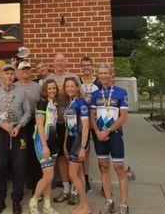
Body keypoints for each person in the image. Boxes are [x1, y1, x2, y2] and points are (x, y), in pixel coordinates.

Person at [0, 64, 31, 214]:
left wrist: (19, 125)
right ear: (1, 75)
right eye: (7, 73)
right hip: (2, 133)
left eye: (12, 73)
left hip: (18, 132)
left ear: (15, 76)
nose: (9, 76)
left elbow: (27, 112)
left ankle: (16, 199)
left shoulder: (21, 92)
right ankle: (0, 200)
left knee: (19, 167)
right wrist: (2, 124)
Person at [90, 63, 129, 214]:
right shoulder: (95, 94)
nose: (103, 75)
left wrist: (107, 131)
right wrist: (98, 132)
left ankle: (124, 205)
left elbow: (123, 117)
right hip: (100, 136)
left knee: (119, 169)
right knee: (104, 167)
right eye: (101, 73)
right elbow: (92, 116)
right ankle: (109, 201)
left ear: (110, 74)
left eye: (106, 73)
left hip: (115, 135)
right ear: (98, 75)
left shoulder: (121, 92)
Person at [49, 53, 79, 205]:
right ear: (53, 63)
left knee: (74, 158)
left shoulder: (73, 77)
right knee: (61, 156)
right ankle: (66, 189)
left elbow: (78, 98)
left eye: (62, 60)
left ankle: (75, 190)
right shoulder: (50, 78)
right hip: (57, 124)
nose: (59, 63)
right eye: (57, 61)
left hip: (73, 124)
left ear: (66, 62)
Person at [29, 79, 60, 214]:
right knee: (48, 175)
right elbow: (40, 125)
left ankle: (47, 205)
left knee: (49, 176)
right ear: (45, 90)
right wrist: (44, 145)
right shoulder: (42, 102)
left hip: (53, 142)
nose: (52, 91)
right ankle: (34, 201)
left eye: (54, 88)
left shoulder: (54, 103)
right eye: (49, 89)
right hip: (42, 142)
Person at [62, 77, 91, 214]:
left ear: (77, 88)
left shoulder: (81, 103)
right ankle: (82, 205)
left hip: (79, 142)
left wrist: (83, 147)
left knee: (72, 175)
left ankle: (85, 206)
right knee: (79, 175)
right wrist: (64, 144)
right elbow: (68, 126)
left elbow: (86, 126)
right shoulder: (70, 103)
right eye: (67, 86)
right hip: (71, 142)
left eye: (72, 86)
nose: (69, 89)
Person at [16, 61, 42, 191]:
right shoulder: (14, 86)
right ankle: (22, 184)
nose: (25, 71)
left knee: (34, 153)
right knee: (21, 154)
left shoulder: (37, 86)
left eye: (27, 69)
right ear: (19, 72)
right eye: (23, 69)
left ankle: (35, 184)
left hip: (34, 123)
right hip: (19, 124)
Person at [80, 56, 99, 193]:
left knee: (102, 151)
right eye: (84, 65)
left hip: (97, 120)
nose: (86, 67)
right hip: (83, 120)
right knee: (85, 150)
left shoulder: (98, 82)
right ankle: (85, 179)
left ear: (92, 66)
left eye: (88, 64)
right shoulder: (78, 82)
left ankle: (105, 182)